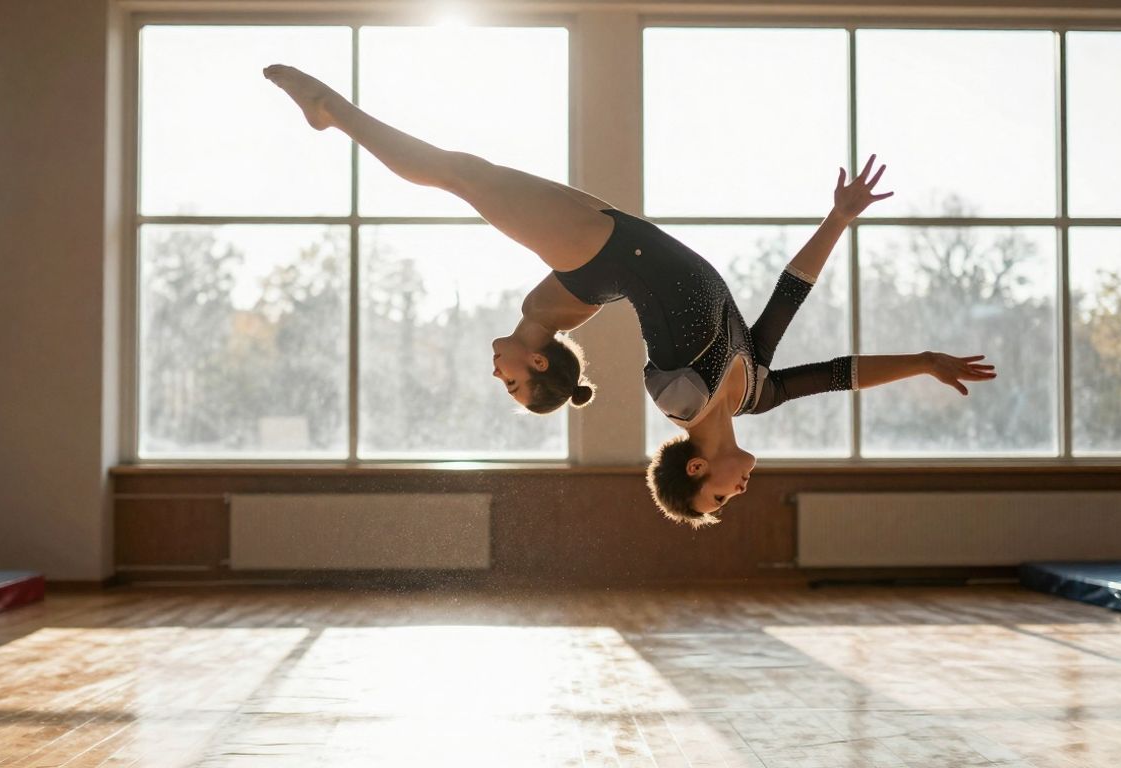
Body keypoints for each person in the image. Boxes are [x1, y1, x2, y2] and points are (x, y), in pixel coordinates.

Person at [263, 65, 997, 525]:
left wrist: (548, 356)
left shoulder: (680, 399)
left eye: (717, 497)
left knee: (459, 173)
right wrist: (917, 350)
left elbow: (583, 324)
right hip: (611, 246)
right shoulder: (754, 395)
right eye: (510, 382)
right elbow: (803, 319)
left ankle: (333, 112)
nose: (736, 494)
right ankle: (333, 112)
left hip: (607, 249)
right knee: (466, 172)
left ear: (696, 468)